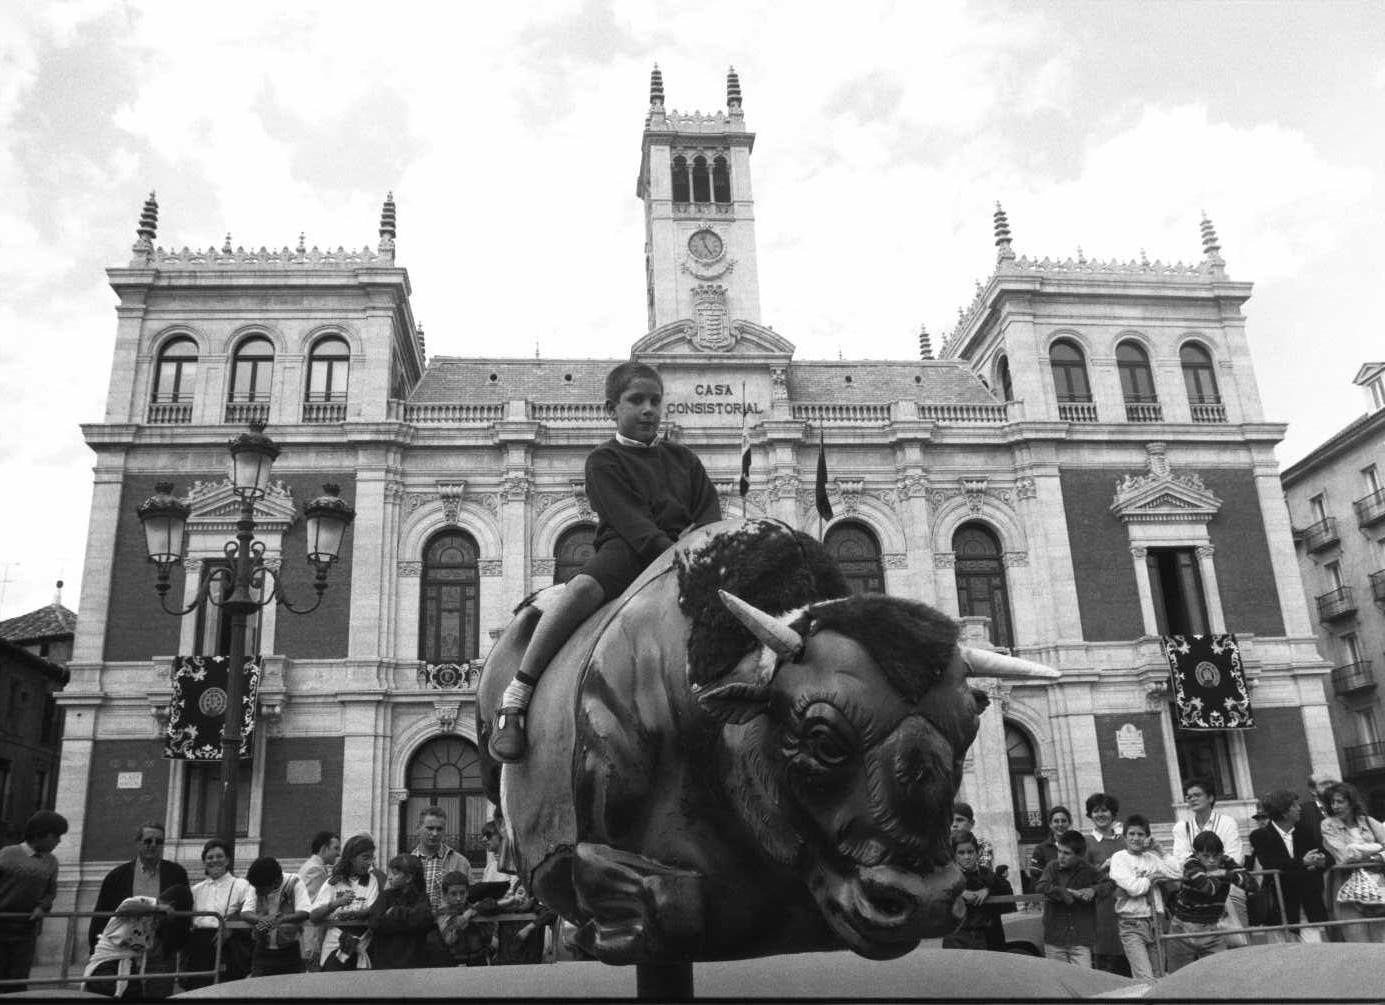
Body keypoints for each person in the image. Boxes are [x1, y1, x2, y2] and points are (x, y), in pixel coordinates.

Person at [489, 361, 722, 762]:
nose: (649, 409)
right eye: (636, 401)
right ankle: (518, 695)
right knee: (579, 589)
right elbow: (632, 523)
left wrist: (700, 542)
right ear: (611, 408)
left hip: (686, 556)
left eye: (655, 400)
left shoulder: (685, 460)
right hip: (625, 554)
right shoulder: (603, 460)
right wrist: (676, 551)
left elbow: (710, 514)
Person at [87, 822, 191, 959]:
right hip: (123, 950)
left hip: (160, 951)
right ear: (138, 843)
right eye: (148, 841)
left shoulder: (177, 873)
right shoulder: (116, 877)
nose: (153, 845)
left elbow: (184, 912)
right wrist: (95, 948)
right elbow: (101, 914)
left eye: (159, 842)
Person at [82, 883, 192, 999]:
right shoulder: (144, 902)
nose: (166, 921)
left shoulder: (155, 922)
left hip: (129, 966)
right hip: (106, 964)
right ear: (171, 906)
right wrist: (157, 909)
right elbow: (124, 908)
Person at [1248, 789, 1330, 943]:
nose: (1299, 808)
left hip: (1307, 905)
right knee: (1284, 958)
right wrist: (1303, 862)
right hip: (1279, 906)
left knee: (1315, 955)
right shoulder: (1260, 836)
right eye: (1294, 805)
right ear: (1284, 812)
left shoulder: (1304, 832)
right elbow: (1270, 863)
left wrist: (1320, 860)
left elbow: (1328, 857)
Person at [1169, 778, 1246, 942]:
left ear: (1210, 798)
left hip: (1227, 892)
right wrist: (1216, 863)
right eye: (1188, 796)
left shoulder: (1227, 822)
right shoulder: (1182, 828)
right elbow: (1179, 862)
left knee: (1237, 945)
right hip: (1197, 894)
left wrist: (1197, 864)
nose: (1192, 799)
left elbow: (1235, 858)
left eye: (1197, 795)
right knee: (1198, 948)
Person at [0, 810, 68, 991]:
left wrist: (42, 907)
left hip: (26, 928)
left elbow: (50, 892)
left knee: (18, 979)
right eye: (55, 836)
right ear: (39, 835)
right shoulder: (7, 855)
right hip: (2, 922)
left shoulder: (51, 862)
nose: (58, 841)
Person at [1108, 813, 1180, 981]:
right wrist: (1152, 878)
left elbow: (1177, 874)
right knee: (1145, 978)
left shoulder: (1152, 858)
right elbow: (1133, 888)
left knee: (1160, 975)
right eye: (1132, 834)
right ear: (1125, 836)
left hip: (1155, 922)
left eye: (1141, 834)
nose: (1136, 838)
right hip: (1131, 923)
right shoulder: (1119, 858)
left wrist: (1160, 850)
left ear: (1147, 837)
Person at [1165, 831, 1249, 972]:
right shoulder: (1191, 864)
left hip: (1212, 930)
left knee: (1219, 977)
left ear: (1221, 853)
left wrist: (1224, 873)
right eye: (1206, 856)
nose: (1211, 860)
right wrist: (1228, 876)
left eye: (1215, 856)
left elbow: (1251, 883)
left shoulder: (1226, 862)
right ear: (1196, 854)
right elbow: (1208, 888)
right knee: (1176, 980)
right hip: (1182, 930)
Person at [1318, 781, 1385, 943]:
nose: (1335, 806)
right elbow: (1344, 856)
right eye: (1332, 802)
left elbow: (1355, 853)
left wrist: (1376, 856)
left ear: (1351, 802)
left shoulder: (1369, 822)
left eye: (1340, 801)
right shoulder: (1328, 825)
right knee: (1358, 942)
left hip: (1378, 887)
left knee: (1382, 941)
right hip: (1346, 889)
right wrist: (1376, 851)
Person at [183, 838, 251, 989]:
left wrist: (230, 925)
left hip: (228, 943)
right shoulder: (195, 890)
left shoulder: (241, 885)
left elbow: (250, 910)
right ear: (204, 862)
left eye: (219, 856)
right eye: (210, 857)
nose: (215, 860)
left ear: (227, 860)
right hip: (200, 946)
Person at [309, 833, 380, 970]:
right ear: (351, 858)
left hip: (361, 943)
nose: (369, 862)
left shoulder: (371, 881)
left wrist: (354, 914)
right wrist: (336, 904)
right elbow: (314, 916)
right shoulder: (333, 882)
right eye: (365, 858)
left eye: (371, 858)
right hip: (334, 944)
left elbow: (373, 910)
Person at [1035, 830, 1098, 967]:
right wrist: (1064, 893)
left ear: (1079, 855)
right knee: (1058, 981)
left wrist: (1093, 890)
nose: (1061, 857)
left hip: (1080, 939)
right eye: (1059, 851)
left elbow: (1109, 883)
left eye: (1067, 853)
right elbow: (1041, 886)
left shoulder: (1088, 870)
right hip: (1055, 938)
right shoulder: (1052, 867)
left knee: (1083, 980)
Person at [240, 857, 312, 976]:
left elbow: (305, 912)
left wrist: (280, 919)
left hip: (290, 950)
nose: (257, 892)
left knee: (290, 991)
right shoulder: (257, 883)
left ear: (274, 882)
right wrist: (263, 919)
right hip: (261, 949)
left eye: (261, 890)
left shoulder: (294, 882)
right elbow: (245, 912)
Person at [942, 831, 1013, 951]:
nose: (967, 857)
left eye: (970, 852)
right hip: (957, 938)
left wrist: (987, 890)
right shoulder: (947, 876)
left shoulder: (988, 875)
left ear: (977, 852)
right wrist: (960, 892)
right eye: (961, 853)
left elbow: (1005, 892)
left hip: (987, 938)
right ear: (954, 855)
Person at [1082, 792, 1128, 976]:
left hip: (1127, 905)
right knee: (1106, 965)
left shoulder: (1124, 840)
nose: (1100, 815)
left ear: (1113, 813)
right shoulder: (1086, 842)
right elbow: (1082, 876)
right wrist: (1102, 867)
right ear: (1090, 815)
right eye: (1095, 811)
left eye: (1105, 810)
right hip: (1102, 910)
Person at [367, 854, 436, 969]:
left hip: (414, 962)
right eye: (389, 873)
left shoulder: (421, 898)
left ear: (409, 878)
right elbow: (374, 922)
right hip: (386, 962)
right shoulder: (385, 896)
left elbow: (423, 919)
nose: (389, 877)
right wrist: (406, 919)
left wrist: (395, 912)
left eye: (395, 873)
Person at [432, 871, 498, 966]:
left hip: (479, 960)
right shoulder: (442, 912)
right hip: (455, 962)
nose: (459, 898)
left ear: (467, 892)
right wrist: (465, 917)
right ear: (445, 895)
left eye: (462, 893)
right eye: (453, 894)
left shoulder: (473, 907)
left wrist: (477, 910)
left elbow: (493, 908)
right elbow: (450, 939)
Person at [410, 807, 469, 913]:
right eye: (430, 828)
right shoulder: (407, 863)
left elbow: (470, 897)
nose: (435, 833)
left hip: (448, 926)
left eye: (439, 829)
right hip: (415, 927)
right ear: (418, 828)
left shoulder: (460, 862)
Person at [296, 830, 339, 970]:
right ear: (324, 849)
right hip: (310, 938)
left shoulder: (313, 866)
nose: (338, 853)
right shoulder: (315, 869)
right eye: (336, 848)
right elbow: (314, 907)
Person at [1025, 805, 1074, 886]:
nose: (1060, 824)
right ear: (1050, 824)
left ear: (1070, 823)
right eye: (1056, 821)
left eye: (1064, 821)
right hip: (1051, 896)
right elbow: (1036, 879)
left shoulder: (1080, 845)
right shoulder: (1041, 849)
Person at [950, 802, 996, 871]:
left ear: (972, 823)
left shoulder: (982, 845)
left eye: (959, 820)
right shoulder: (942, 848)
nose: (954, 825)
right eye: (950, 821)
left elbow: (982, 873)